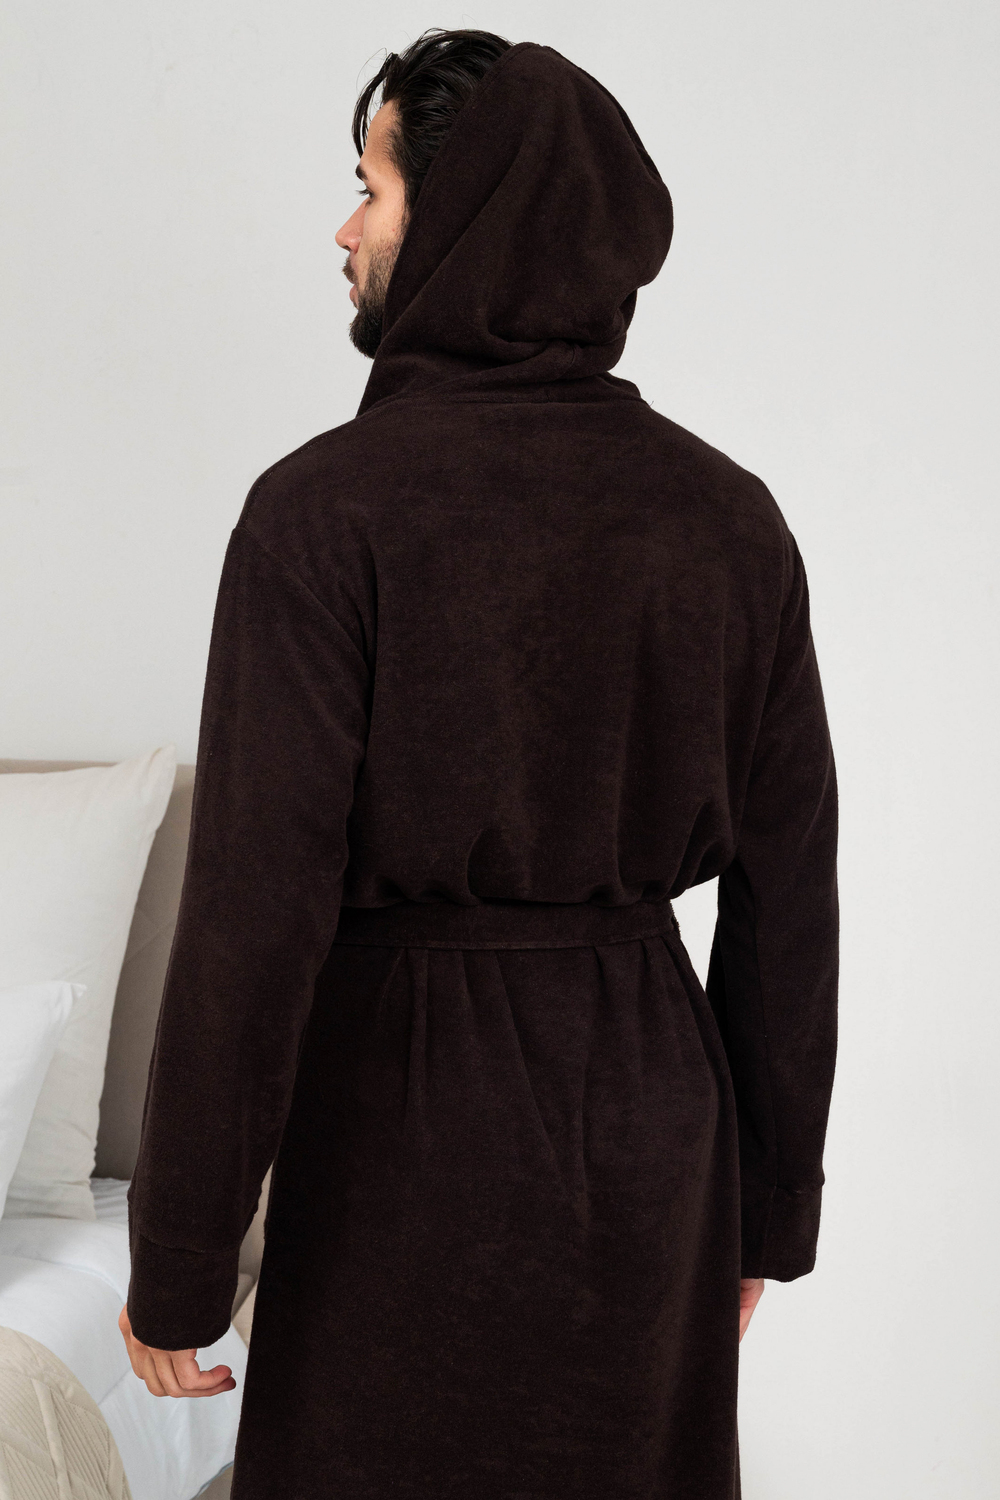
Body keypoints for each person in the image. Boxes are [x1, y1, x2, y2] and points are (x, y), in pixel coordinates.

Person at [120, 30, 838, 1500]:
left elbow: (253, 913)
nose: (345, 231)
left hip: (401, 1132)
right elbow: (790, 900)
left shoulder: (322, 515)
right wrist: (766, 1209)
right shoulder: (731, 521)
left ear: (462, 217)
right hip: (654, 1125)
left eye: (370, 188)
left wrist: (181, 1259)